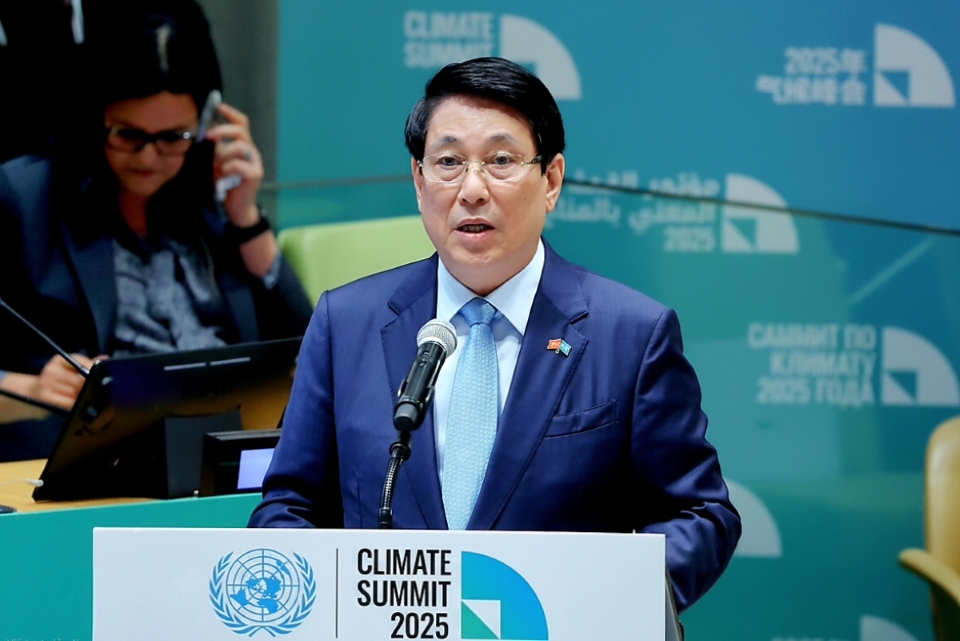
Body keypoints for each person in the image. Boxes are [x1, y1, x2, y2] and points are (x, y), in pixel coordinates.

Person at [248, 57, 740, 611]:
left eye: (501, 161)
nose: (472, 189)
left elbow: (699, 515)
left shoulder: (631, 334)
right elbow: (289, 505)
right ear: (418, 181)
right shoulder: (345, 322)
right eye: (449, 162)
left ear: (551, 180)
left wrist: (600, 603)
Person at [0, 0, 312, 458]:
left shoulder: (213, 194)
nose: (148, 158)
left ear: (205, 124)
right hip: (103, 454)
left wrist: (246, 218)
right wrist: (27, 387)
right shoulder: (27, 196)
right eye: (128, 135)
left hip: (227, 448)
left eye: (171, 138)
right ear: (96, 115)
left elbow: (306, 353)